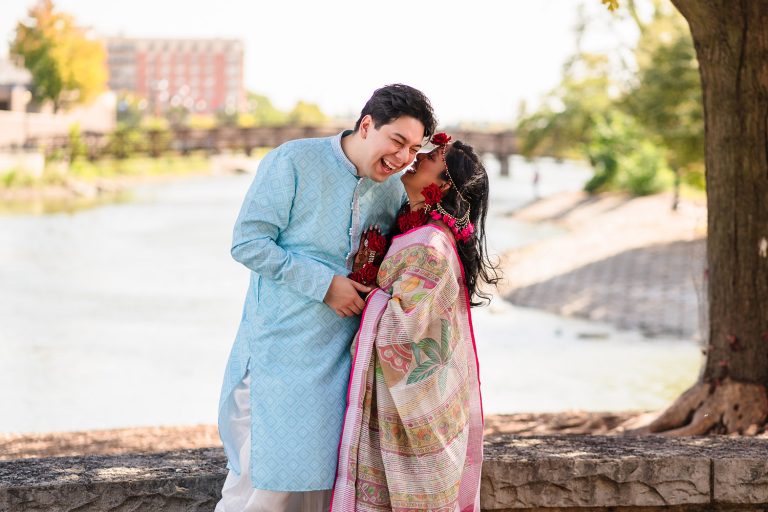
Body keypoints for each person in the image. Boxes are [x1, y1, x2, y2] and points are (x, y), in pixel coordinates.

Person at [215, 84, 437, 512]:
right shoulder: (293, 161)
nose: (404, 157)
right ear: (367, 124)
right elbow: (248, 243)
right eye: (397, 140)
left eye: (413, 148)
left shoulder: (389, 191)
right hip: (277, 356)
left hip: (340, 367)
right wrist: (325, 284)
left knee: (324, 492)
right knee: (262, 489)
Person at [331, 134, 500, 512]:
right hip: (404, 400)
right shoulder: (410, 231)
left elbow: (403, 332)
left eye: (430, 156)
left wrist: (364, 295)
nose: (417, 157)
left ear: (442, 184)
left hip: (416, 410)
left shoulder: (430, 246)